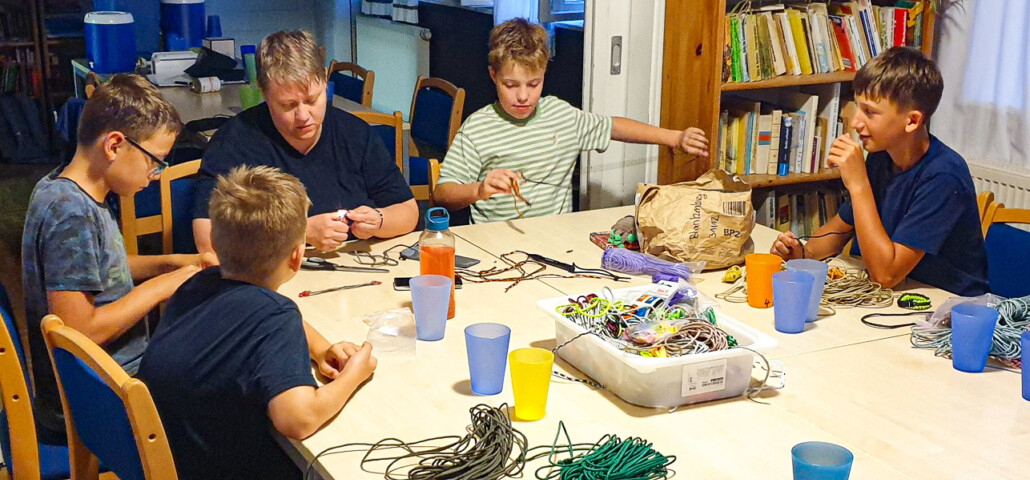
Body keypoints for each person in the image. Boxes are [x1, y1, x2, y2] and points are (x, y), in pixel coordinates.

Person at [139, 166, 378, 480]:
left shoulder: (198, 283)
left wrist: (321, 348)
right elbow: (297, 420)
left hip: (173, 470)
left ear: (217, 244)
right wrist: (355, 374)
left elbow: (252, 319)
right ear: (297, 257)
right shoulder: (276, 316)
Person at [21, 74, 214, 444]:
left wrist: (173, 262)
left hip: (106, 383)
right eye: (154, 162)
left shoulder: (66, 189)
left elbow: (101, 269)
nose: (156, 176)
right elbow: (77, 332)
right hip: (97, 401)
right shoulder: (69, 214)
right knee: (231, 387)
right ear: (114, 145)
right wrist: (161, 287)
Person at [432, 18, 709, 224]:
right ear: (493, 76)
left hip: (555, 240)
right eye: (511, 84)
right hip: (495, 244)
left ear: (544, 76)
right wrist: (479, 190)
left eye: (534, 83)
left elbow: (614, 126)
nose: (523, 96)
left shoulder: (560, 115)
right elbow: (443, 194)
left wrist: (674, 138)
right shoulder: (478, 128)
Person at [771, 46, 989, 296]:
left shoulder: (944, 176)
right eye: (858, 107)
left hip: (947, 306)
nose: (855, 122)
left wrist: (858, 184)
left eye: (870, 112)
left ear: (912, 121)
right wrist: (800, 253)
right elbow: (838, 231)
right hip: (897, 296)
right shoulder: (880, 157)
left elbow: (886, 275)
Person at [192, 30, 417, 253]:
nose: (303, 116)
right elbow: (207, 239)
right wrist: (300, 232)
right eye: (288, 105)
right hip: (266, 275)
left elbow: (408, 211)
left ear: (325, 79)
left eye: (312, 100)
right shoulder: (234, 142)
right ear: (264, 93)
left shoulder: (355, 134)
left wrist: (379, 220)